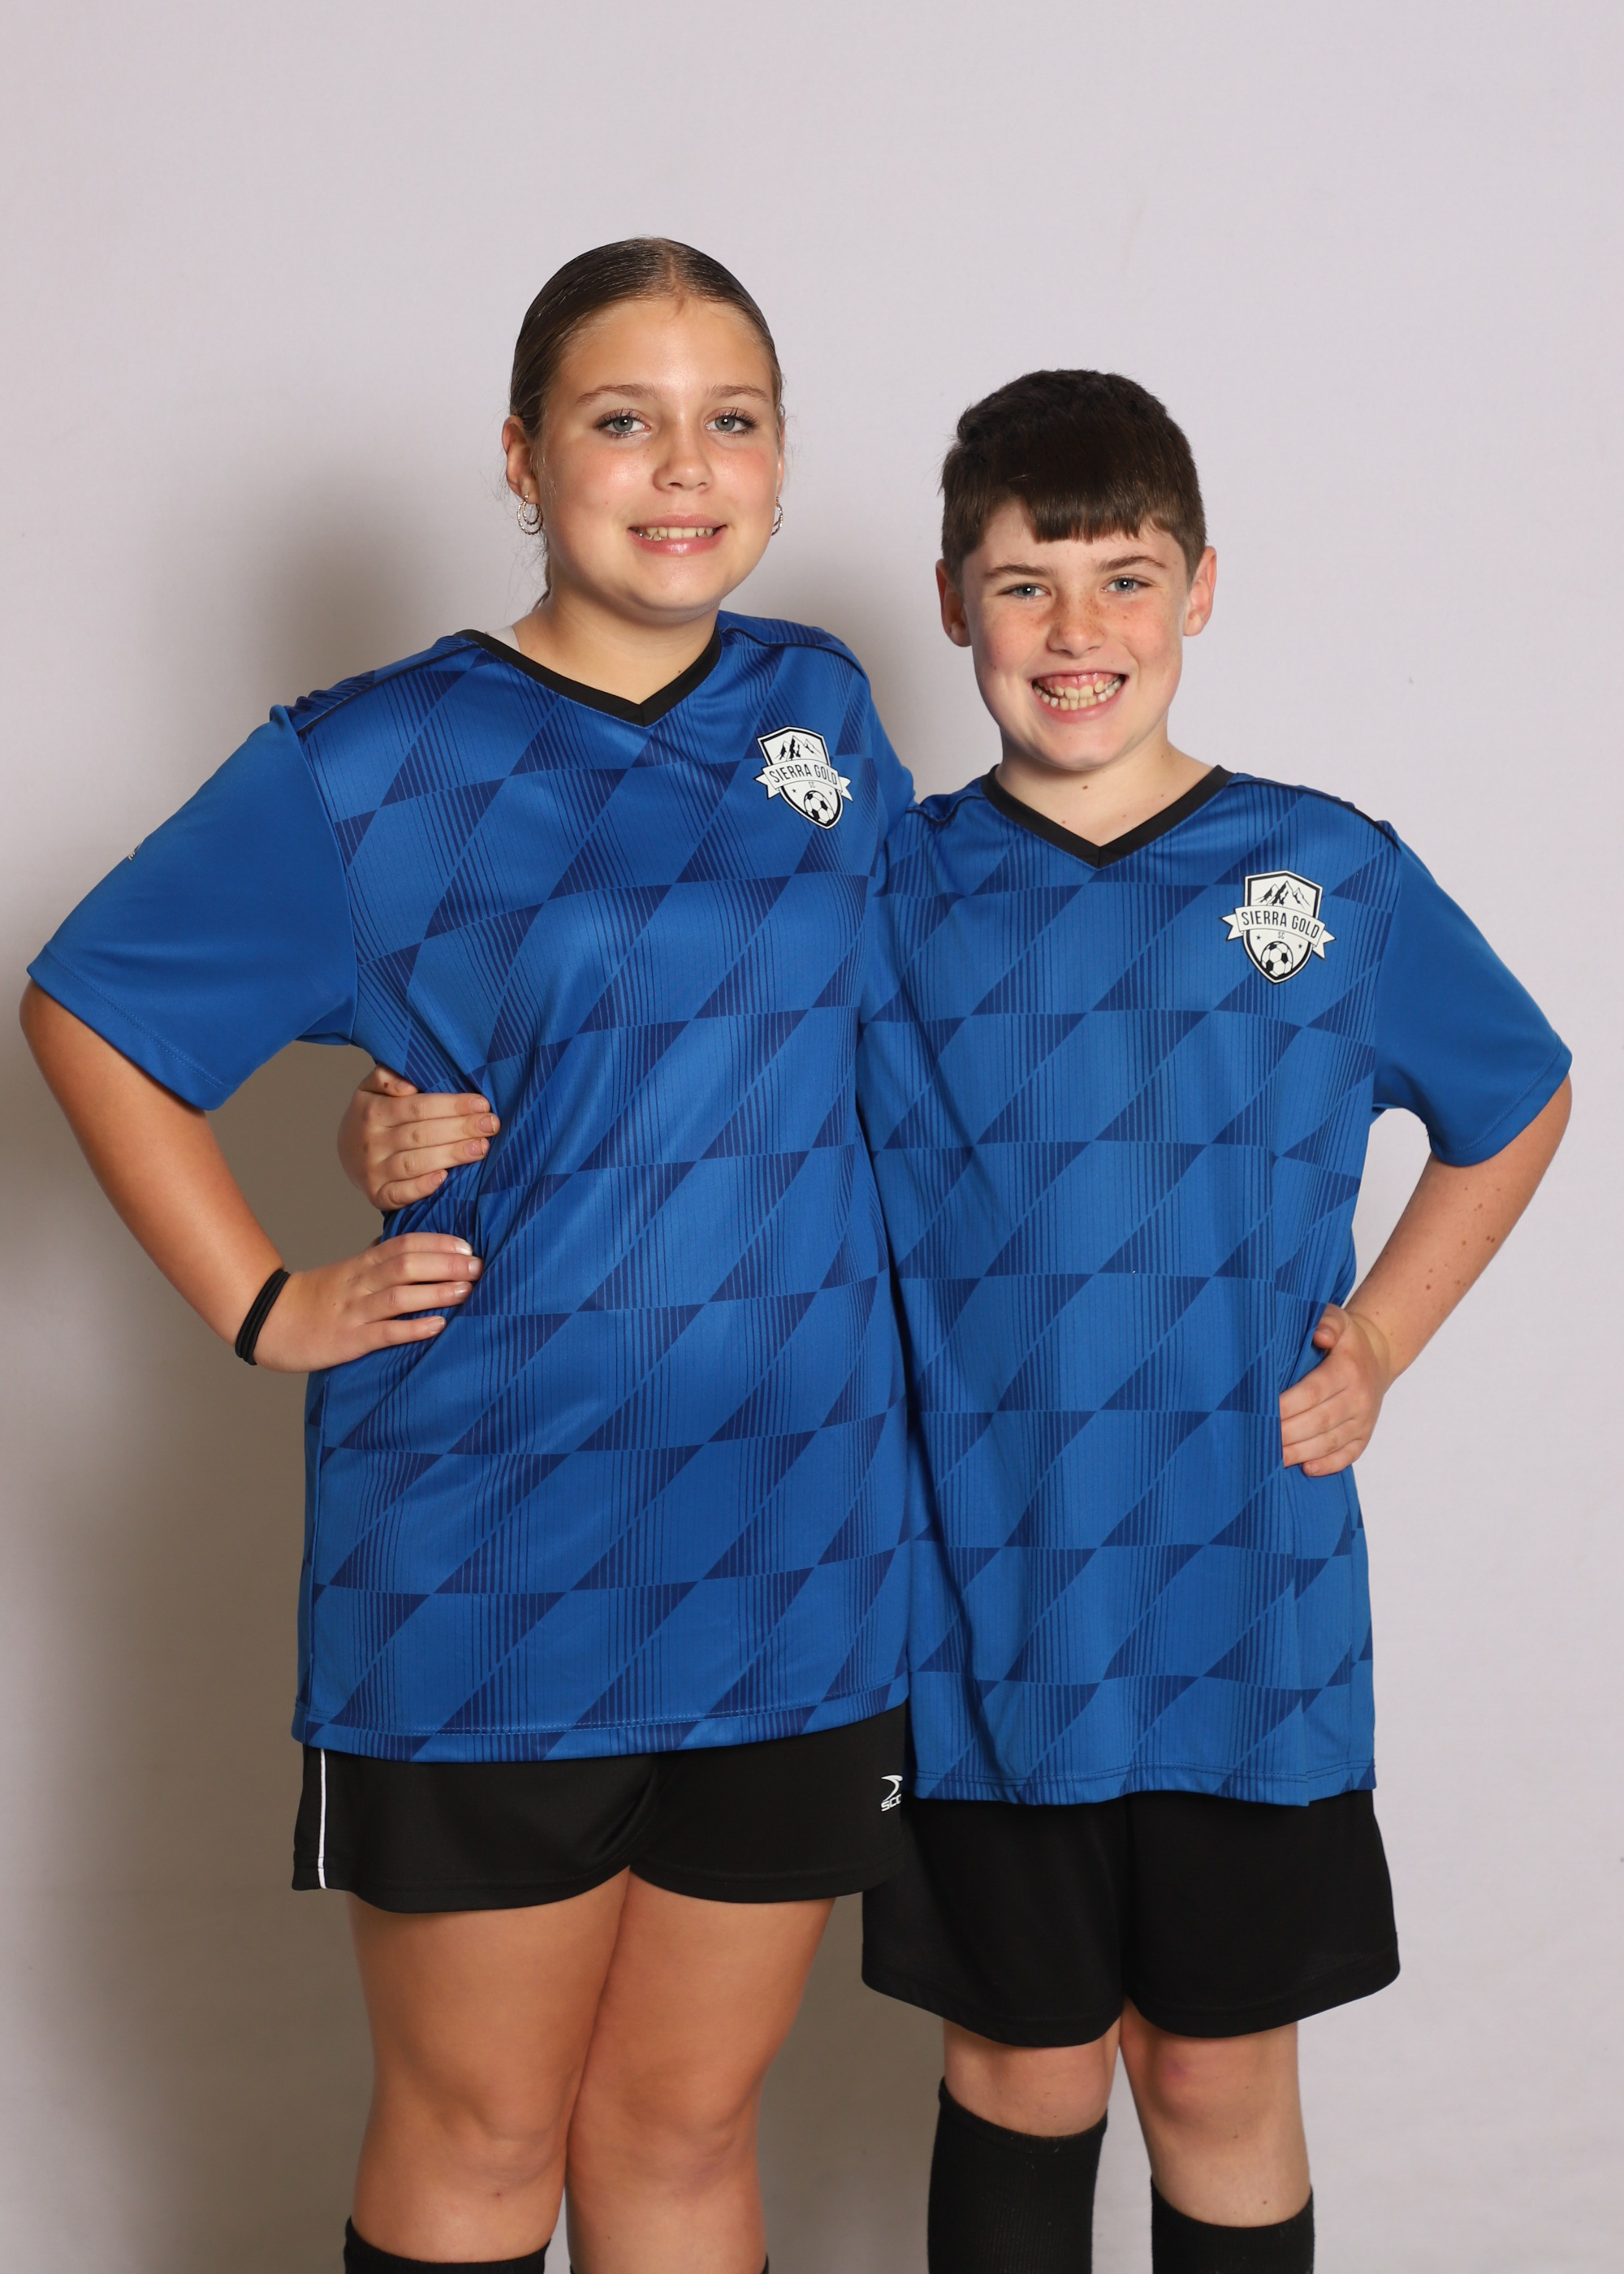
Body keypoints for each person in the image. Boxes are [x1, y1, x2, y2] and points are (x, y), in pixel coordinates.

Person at [21, 239, 916, 2274]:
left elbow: (862, 1035)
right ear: (521, 456)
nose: (680, 467)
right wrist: (267, 1297)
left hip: (798, 1539)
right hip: (492, 1546)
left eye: (730, 419)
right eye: (621, 419)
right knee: (485, 2125)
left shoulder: (825, 708)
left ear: (780, 456)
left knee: (684, 2127)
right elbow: (94, 1008)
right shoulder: (374, 760)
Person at [849, 370, 1572, 2272]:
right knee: (1023, 2069)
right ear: (952, 601)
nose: (1074, 628)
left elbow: (1515, 1097)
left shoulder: (1327, 871)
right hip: (985, 1598)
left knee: (1212, 2073)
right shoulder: (894, 886)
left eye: (1123, 577)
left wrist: (1382, 1337)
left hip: (1245, 1601)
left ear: (1201, 588)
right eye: (1024, 583)